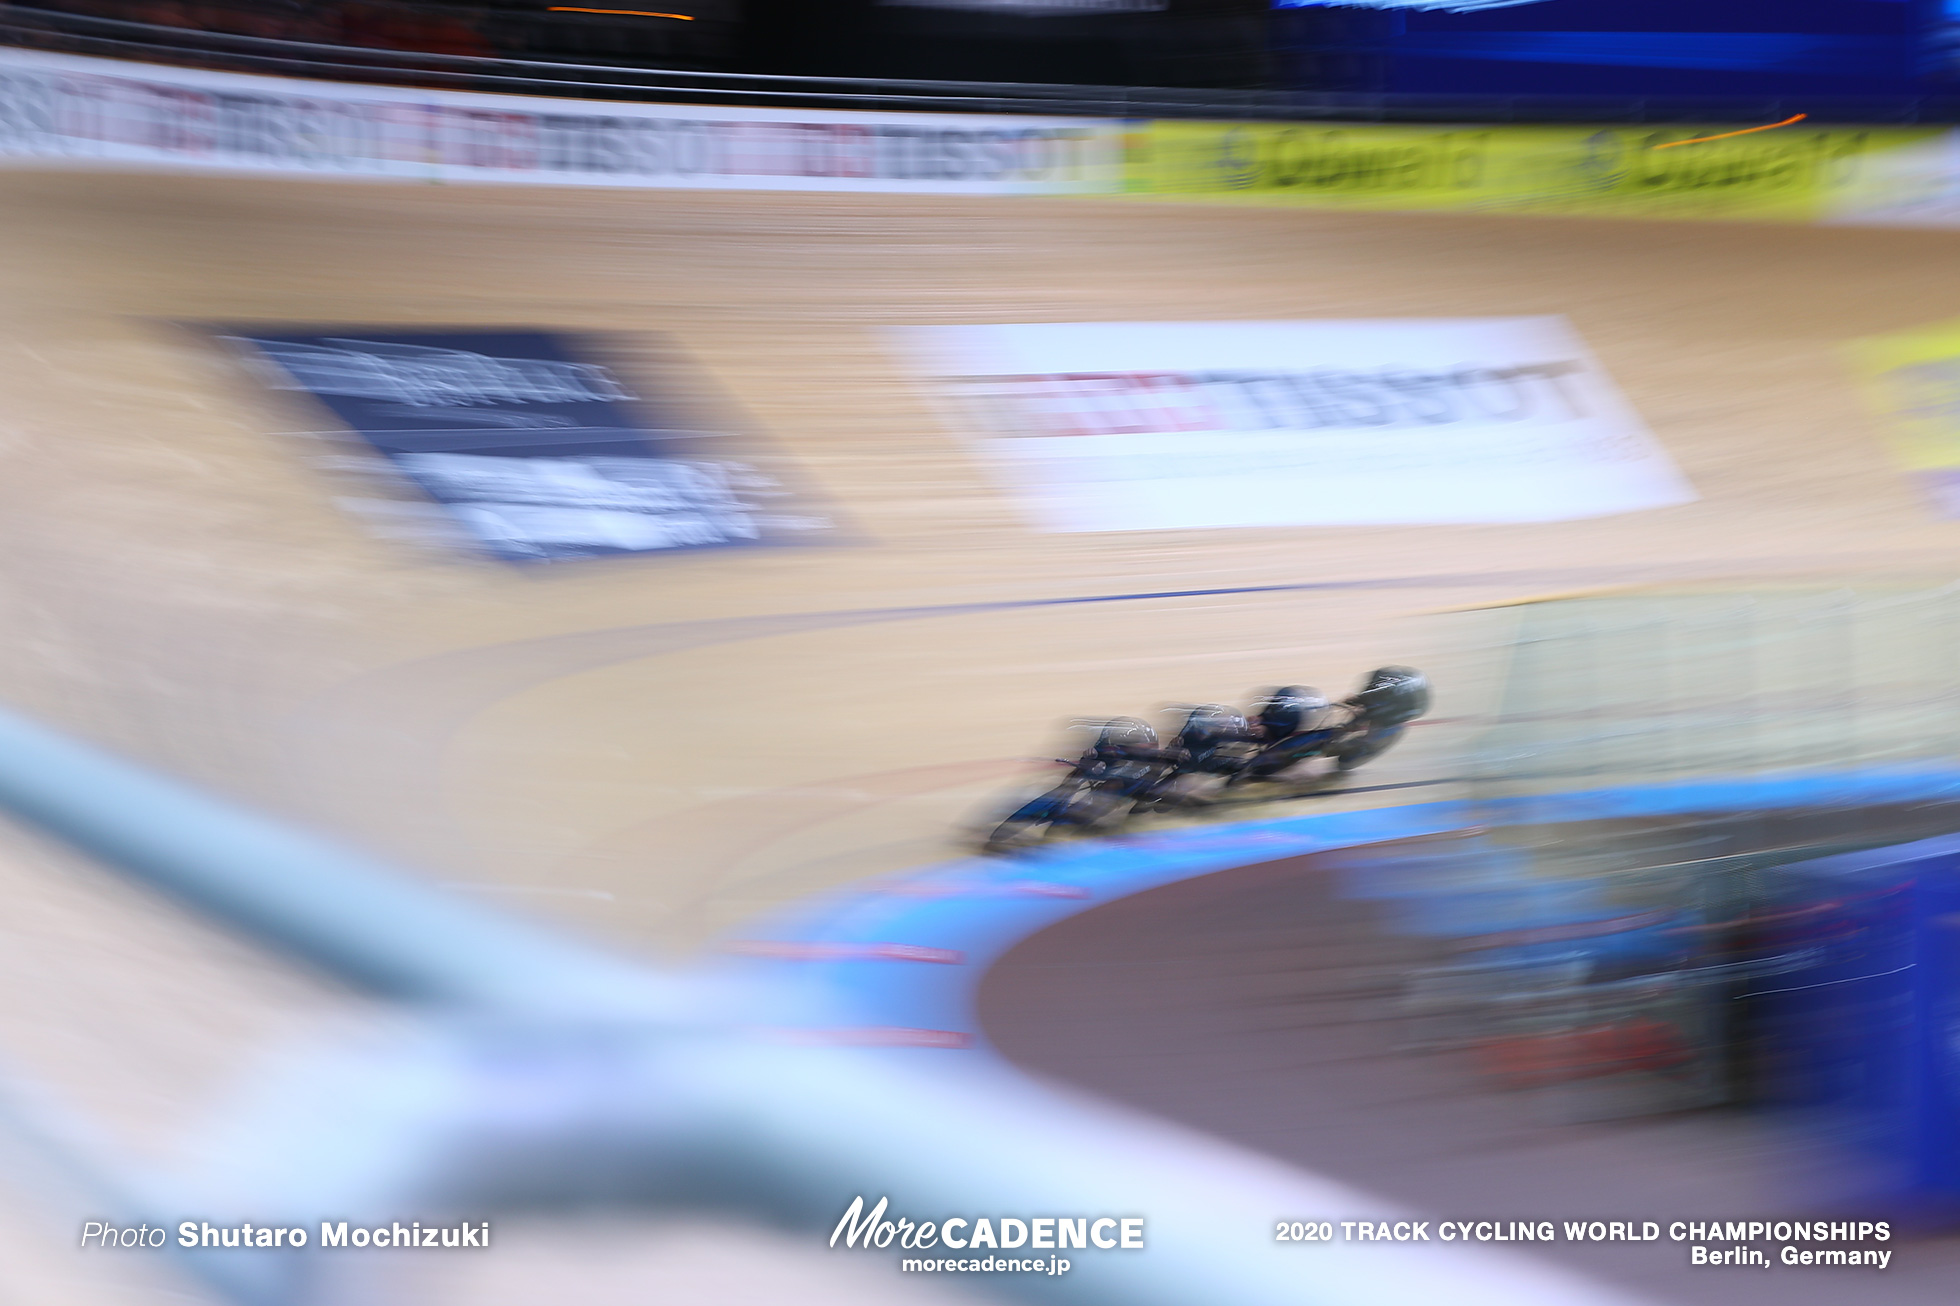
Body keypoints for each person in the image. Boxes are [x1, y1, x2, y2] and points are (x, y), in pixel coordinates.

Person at [1328, 666, 1430, 770]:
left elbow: (1371, 715)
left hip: (1397, 713)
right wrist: (1358, 703)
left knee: (1369, 741)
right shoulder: (1379, 678)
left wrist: (1355, 729)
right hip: (1391, 697)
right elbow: (1363, 702)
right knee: (1359, 715)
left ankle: (1362, 749)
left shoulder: (1398, 712)